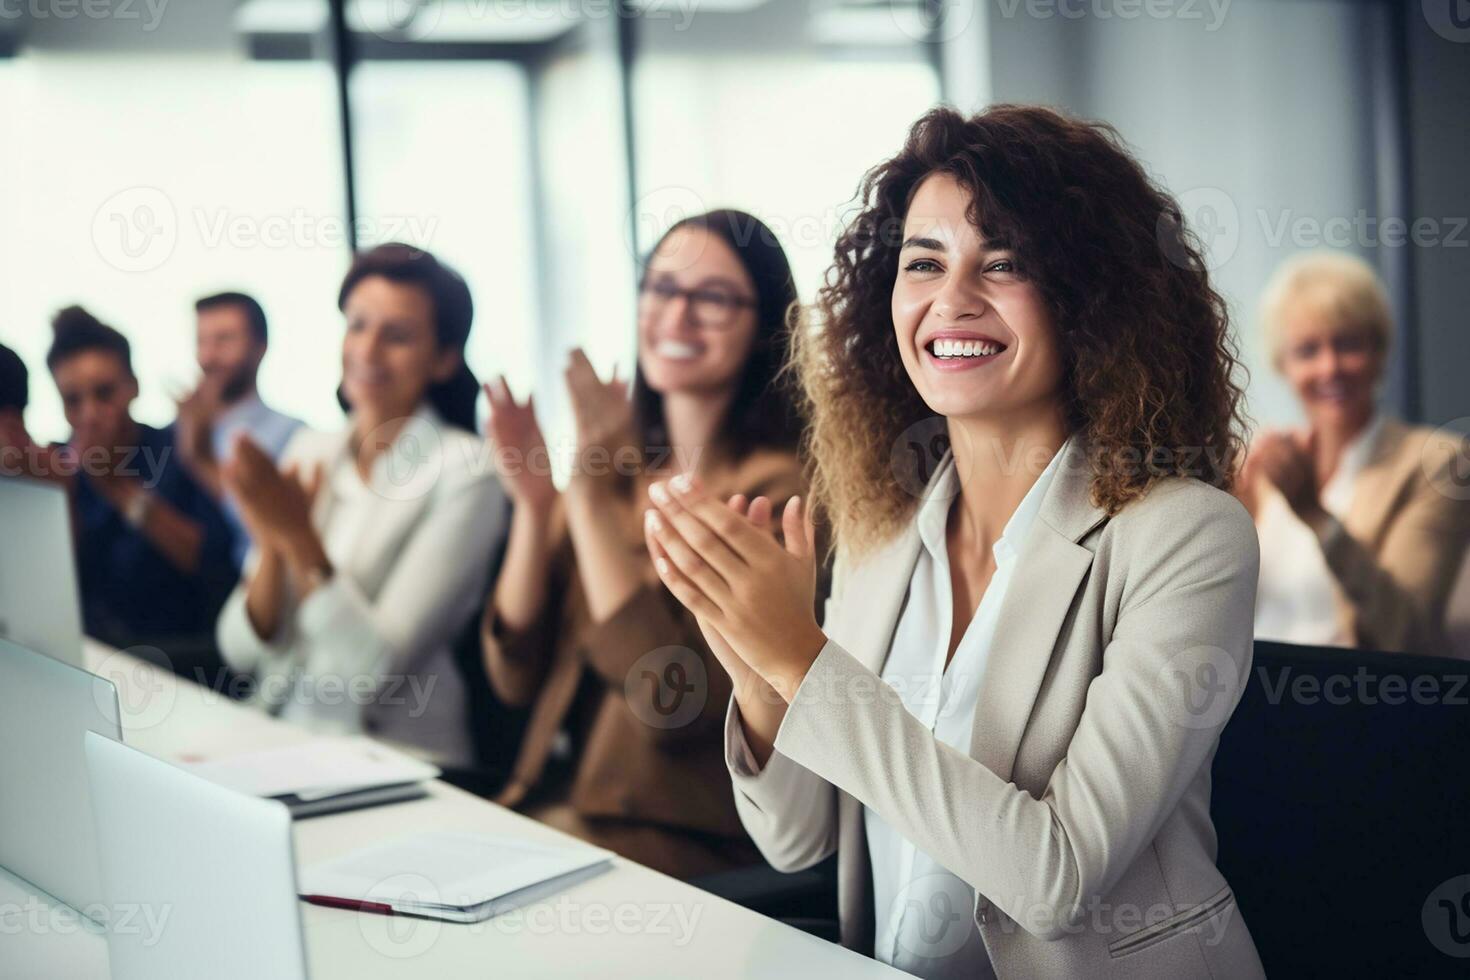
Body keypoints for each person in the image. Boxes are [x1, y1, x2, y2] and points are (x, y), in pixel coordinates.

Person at [642, 106, 1265, 978]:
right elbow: (795, 841)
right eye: (924, 263)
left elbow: (1055, 880)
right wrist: (762, 680)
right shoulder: (881, 537)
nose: (952, 300)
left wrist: (803, 658)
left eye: (1003, 263)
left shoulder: (1188, 537)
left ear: (1094, 297)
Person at [480, 210, 806, 878]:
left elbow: (671, 706)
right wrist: (536, 507)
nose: (676, 316)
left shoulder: (771, 491)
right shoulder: (616, 472)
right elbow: (512, 679)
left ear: (766, 323)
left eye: (711, 297)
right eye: (660, 289)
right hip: (547, 811)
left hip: (668, 843)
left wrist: (589, 495)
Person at [215, 244, 508, 766]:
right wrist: (273, 545)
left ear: (443, 359)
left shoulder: (467, 470)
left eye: (396, 336)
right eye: (357, 326)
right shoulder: (312, 449)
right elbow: (240, 650)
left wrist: (299, 537)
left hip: (398, 755)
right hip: (283, 738)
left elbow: (370, 674)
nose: (367, 352)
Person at [1240, 252, 1470, 654]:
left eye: (1347, 344)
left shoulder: (1438, 462)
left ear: (1379, 352)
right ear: (1282, 365)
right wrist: (1232, 517)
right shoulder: (1262, 467)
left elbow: (1408, 635)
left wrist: (1314, 513)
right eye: (1308, 350)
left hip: (1353, 700)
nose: (1329, 368)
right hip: (1249, 695)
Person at [41, 307, 237, 663]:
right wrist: (63, 498)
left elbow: (217, 567)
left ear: (133, 386)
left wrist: (120, 490)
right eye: (72, 400)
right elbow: (54, 592)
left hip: (179, 662)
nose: (89, 413)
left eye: (104, 393)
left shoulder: (180, 450)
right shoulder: (58, 471)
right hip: (88, 659)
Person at [175, 291, 302, 568]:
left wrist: (203, 461)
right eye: (201, 341)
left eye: (224, 340)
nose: (208, 357)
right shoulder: (172, 434)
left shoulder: (294, 435)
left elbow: (275, 533)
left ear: (260, 346)